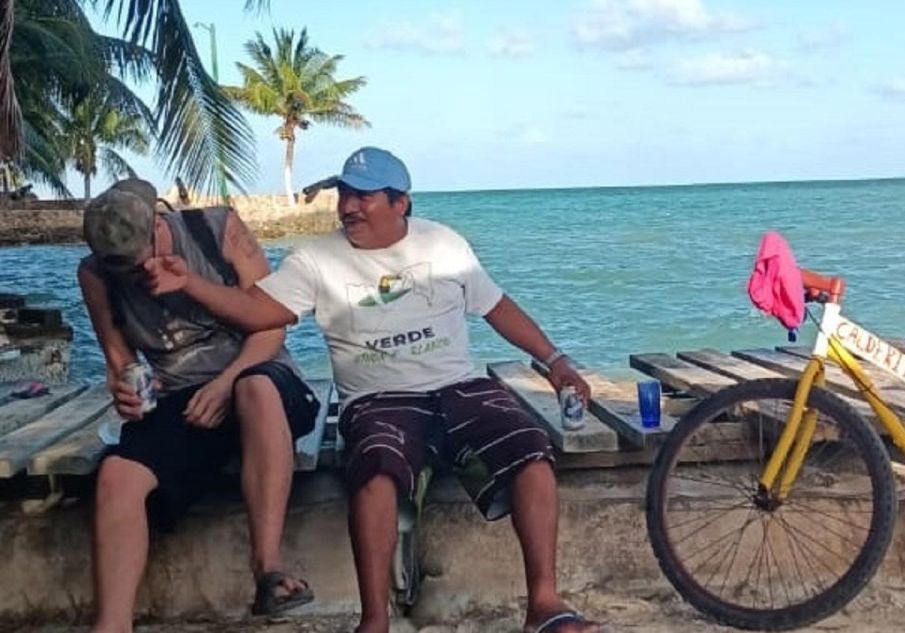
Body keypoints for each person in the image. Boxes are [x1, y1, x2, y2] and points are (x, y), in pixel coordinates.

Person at [145, 148, 603, 633]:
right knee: (376, 468)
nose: (348, 206)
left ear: (400, 202)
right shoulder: (316, 260)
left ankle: (544, 605)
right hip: (379, 400)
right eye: (343, 193)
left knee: (529, 446)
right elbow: (255, 311)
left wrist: (556, 362)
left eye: (363, 196)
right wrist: (190, 283)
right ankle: (375, 621)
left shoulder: (443, 243)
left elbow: (497, 307)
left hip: (460, 386)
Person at [78, 179, 321, 632]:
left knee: (256, 390)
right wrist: (127, 391)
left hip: (257, 373)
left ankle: (268, 569)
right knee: (117, 473)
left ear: (156, 225)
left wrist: (226, 382)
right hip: (179, 396)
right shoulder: (95, 274)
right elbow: (119, 358)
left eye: (136, 261)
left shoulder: (216, 230)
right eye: (122, 268)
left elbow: (270, 326)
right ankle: (111, 625)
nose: (133, 274)